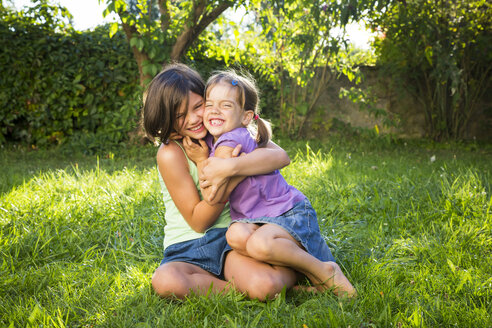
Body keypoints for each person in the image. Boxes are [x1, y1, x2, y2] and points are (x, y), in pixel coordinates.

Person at [188, 70, 356, 297]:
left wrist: (200, 161)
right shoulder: (229, 136)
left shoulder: (229, 141)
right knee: (235, 234)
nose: (215, 110)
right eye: (210, 104)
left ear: (246, 117)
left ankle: (324, 270)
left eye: (226, 105)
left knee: (259, 245)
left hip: (286, 214)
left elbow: (212, 196)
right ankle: (302, 275)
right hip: (260, 221)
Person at [142, 63, 297, 301]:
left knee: (266, 285)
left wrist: (234, 166)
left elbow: (279, 156)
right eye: (181, 115)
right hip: (186, 249)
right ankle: (240, 289)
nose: (194, 119)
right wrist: (231, 178)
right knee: (165, 281)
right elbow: (198, 221)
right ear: (166, 117)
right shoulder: (170, 153)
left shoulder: (226, 131)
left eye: (198, 106)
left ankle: (258, 283)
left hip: (229, 241)